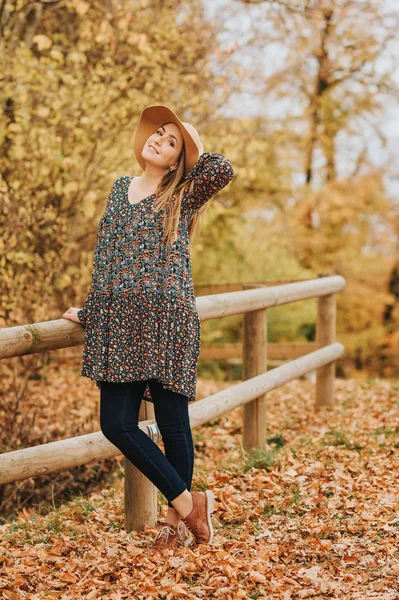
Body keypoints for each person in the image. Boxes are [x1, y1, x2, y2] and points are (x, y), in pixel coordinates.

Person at [62, 104, 234, 549]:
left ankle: (178, 527)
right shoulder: (120, 189)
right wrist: (92, 309)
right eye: (158, 132)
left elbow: (223, 169)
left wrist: (189, 146)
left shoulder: (181, 195)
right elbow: (107, 257)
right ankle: (189, 504)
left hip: (168, 318)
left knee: (172, 423)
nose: (158, 138)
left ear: (178, 160)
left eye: (170, 141)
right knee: (116, 423)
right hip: (120, 323)